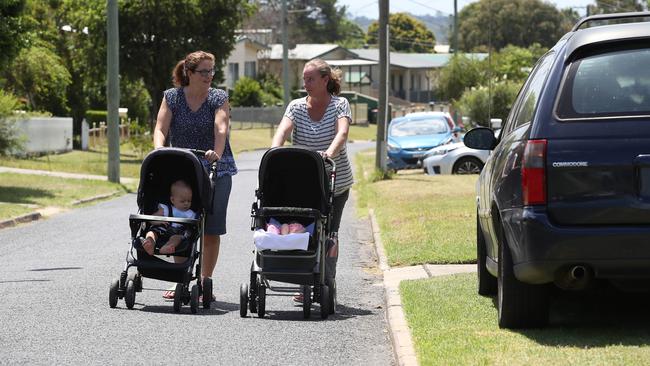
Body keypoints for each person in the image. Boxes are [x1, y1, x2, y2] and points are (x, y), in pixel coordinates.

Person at [153, 50, 237, 300]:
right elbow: (160, 127)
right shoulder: (172, 97)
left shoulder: (218, 97)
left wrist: (217, 153)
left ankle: (204, 282)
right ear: (189, 73)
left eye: (212, 71)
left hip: (215, 169)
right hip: (183, 169)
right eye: (204, 71)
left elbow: (221, 127)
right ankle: (180, 276)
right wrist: (159, 149)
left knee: (211, 229)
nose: (209, 76)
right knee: (182, 223)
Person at [271, 58, 354, 302]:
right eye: (304, 79)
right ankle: (304, 281)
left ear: (325, 80)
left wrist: (328, 154)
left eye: (311, 79)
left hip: (334, 182)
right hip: (303, 183)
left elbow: (342, 133)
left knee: (330, 232)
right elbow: (283, 130)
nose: (305, 83)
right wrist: (274, 150)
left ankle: (326, 282)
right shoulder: (296, 107)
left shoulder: (340, 105)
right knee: (304, 229)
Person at [141, 180, 196, 255]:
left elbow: (192, 227)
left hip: (177, 232)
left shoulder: (190, 214)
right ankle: (149, 242)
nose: (186, 203)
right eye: (183, 201)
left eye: (189, 201)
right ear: (172, 200)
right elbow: (151, 219)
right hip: (162, 229)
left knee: (177, 238)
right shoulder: (165, 209)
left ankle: (168, 246)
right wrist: (159, 221)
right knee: (152, 233)